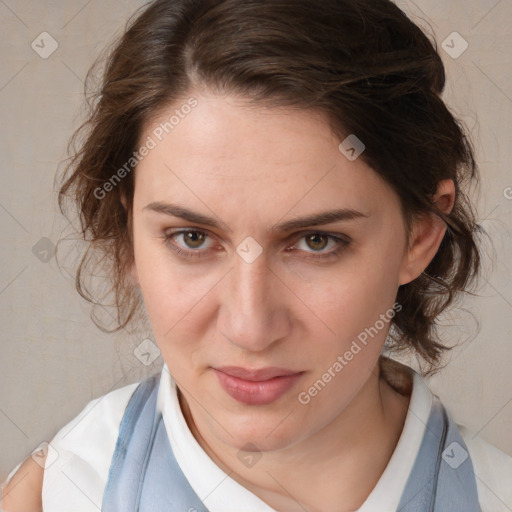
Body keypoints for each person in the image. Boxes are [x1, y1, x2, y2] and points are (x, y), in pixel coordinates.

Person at [1, 0, 511, 510]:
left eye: (316, 241)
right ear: (129, 230)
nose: (249, 327)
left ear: (421, 233)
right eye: (192, 238)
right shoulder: (62, 494)